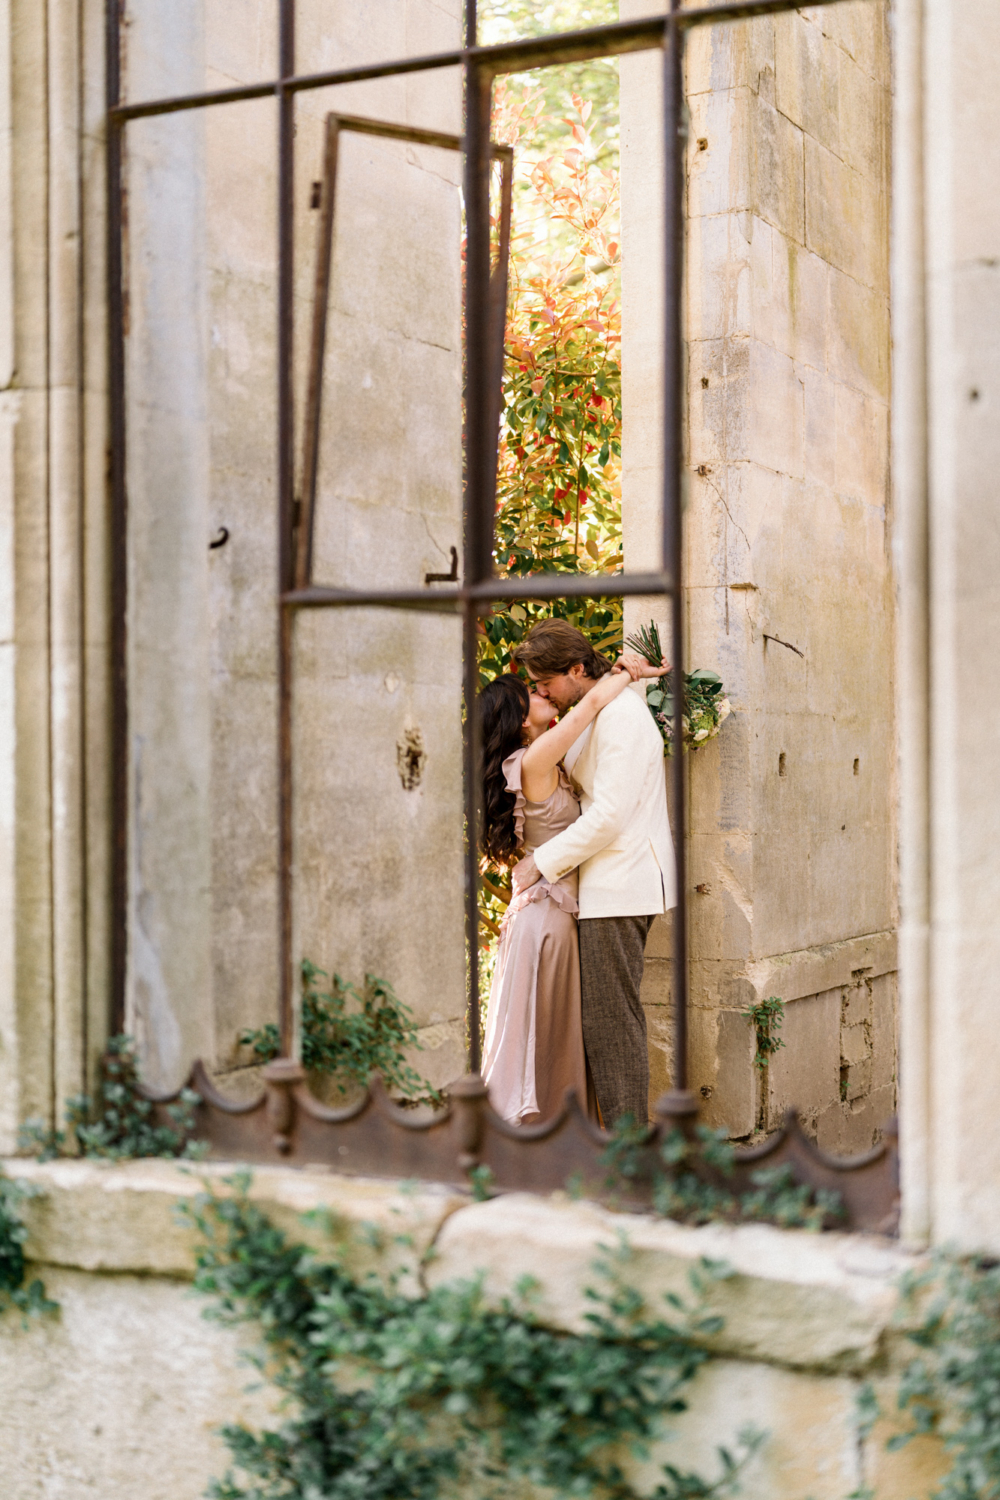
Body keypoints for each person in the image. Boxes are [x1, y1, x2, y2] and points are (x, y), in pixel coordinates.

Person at [479, 653, 660, 1124]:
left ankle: (557, 1141)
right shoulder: (537, 757)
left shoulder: (545, 756)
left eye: (542, 685)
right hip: (548, 920)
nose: (542, 693)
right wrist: (628, 672)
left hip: (550, 913)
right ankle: (553, 1139)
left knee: (554, 1034)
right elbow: (590, 704)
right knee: (555, 1036)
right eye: (532, 693)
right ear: (519, 719)